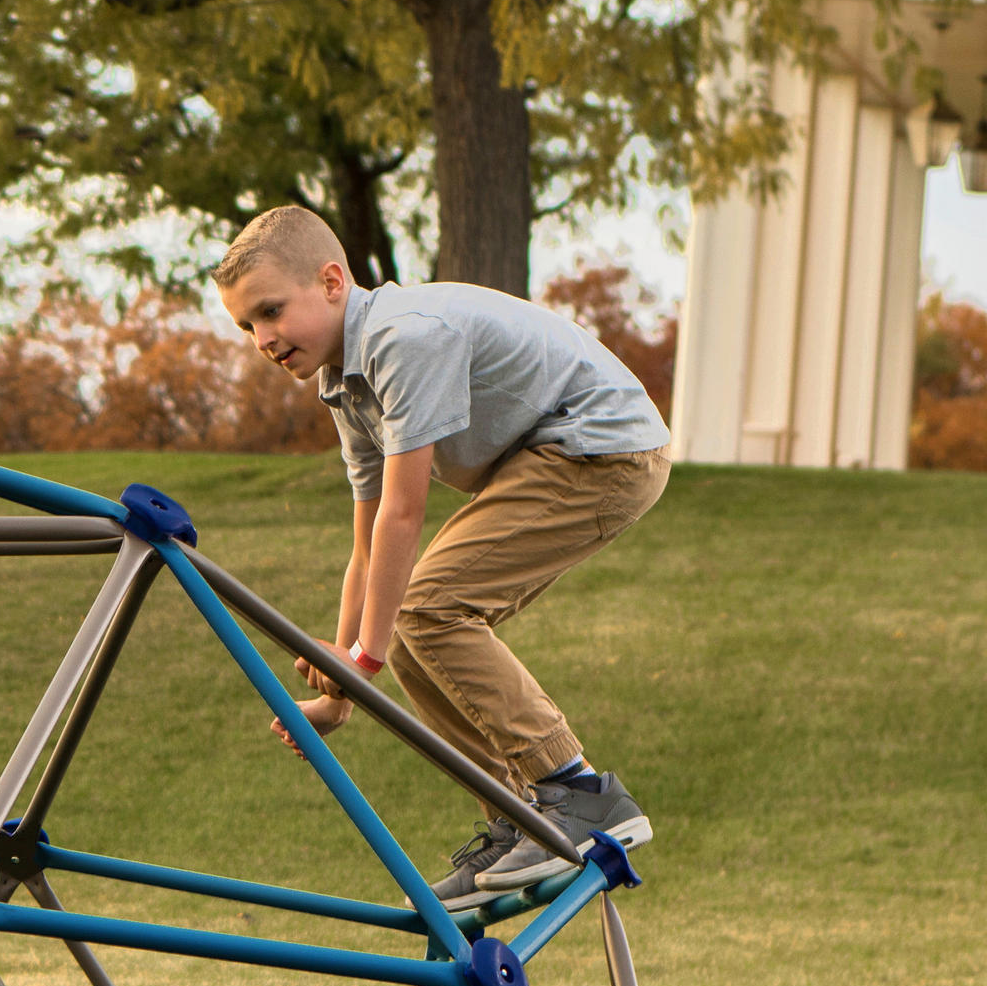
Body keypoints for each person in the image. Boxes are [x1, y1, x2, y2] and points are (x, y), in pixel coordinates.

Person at [213, 206, 672, 911]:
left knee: (426, 609)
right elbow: (365, 543)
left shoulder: (402, 339)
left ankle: (577, 793)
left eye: (271, 311)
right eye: (247, 325)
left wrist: (359, 661)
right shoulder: (345, 382)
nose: (263, 338)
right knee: (405, 628)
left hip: (603, 448)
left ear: (332, 282)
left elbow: (403, 512)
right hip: (551, 456)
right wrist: (344, 685)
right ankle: (515, 814)